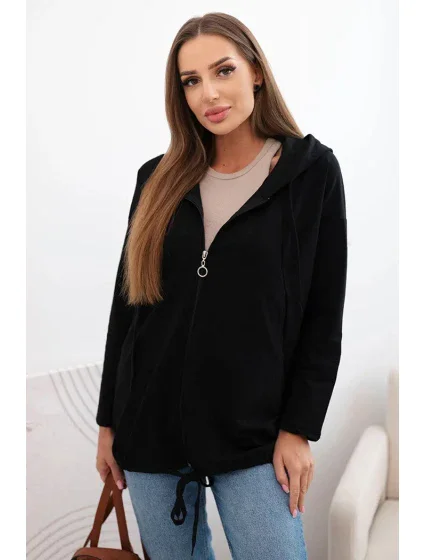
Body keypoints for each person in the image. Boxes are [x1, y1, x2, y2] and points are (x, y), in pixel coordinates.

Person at [95, 12, 347, 560]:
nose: (208, 93)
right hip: (150, 432)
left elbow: (324, 319)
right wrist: (108, 423)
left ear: (255, 71)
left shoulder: (311, 174)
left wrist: (299, 430)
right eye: (191, 81)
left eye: (223, 70)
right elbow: (127, 310)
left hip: (256, 437)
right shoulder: (156, 179)